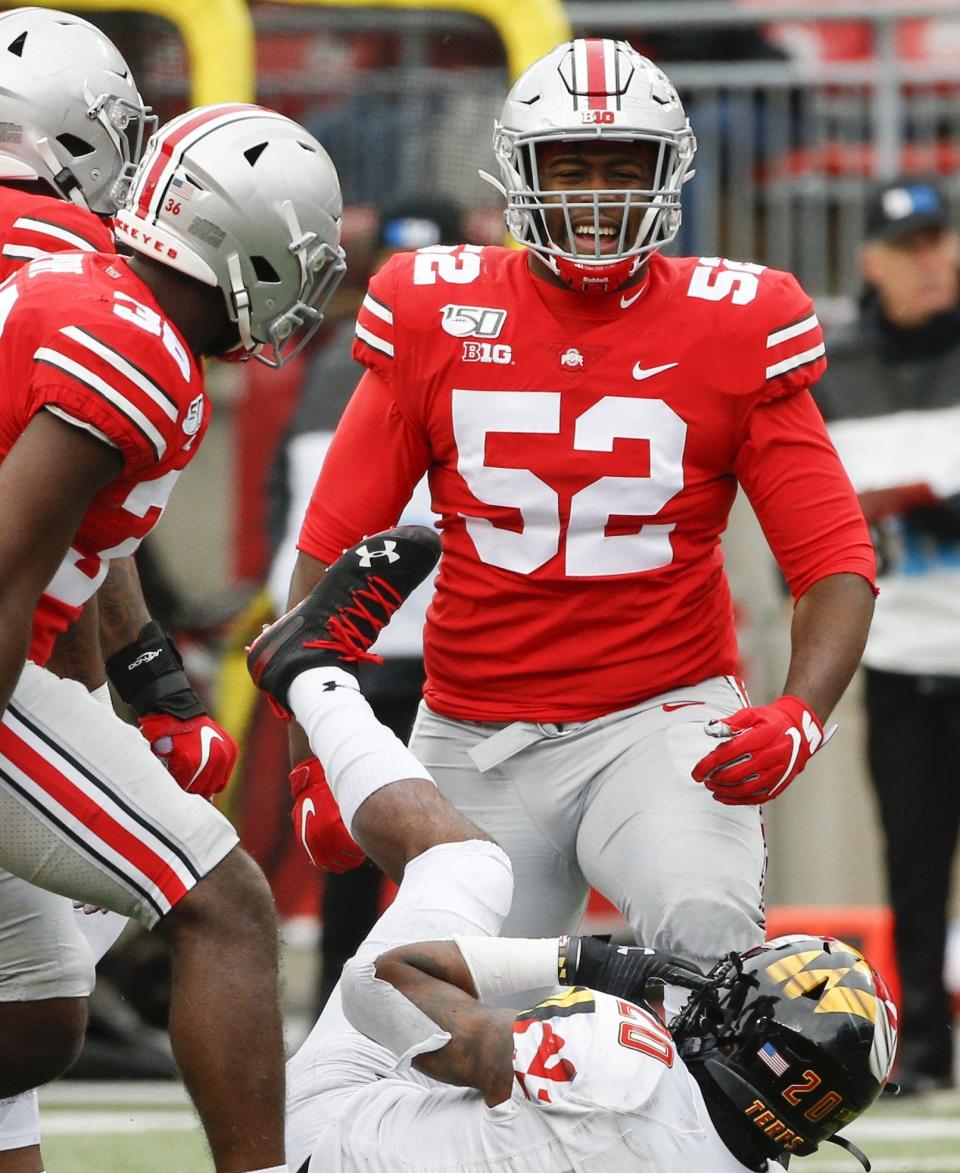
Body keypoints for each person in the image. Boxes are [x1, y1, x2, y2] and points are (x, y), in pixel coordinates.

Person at [285, 38, 877, 975]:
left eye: (621, 167)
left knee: (710, 950)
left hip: (661, 719)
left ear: (667, 174)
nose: (597, 196)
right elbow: (331, 547)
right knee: (437, 1014)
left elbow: (835, 560)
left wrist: (800, 709)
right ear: (521, 176)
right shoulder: (435, 306)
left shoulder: (737, 321)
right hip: (473, 727)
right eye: (571, 168)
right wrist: (315, 749)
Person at [210, 526, 899, 1173]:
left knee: (472, 865)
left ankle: (310, 673)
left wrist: (583, 963)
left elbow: (381, 985)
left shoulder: (622, 1060)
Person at [0, 101, 436, 1173]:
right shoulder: (128, 342)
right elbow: (8, 564)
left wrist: (130, 705)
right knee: (225, 900)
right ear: (243, 245)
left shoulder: (93, 294)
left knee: (30, 1007)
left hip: (25, 652)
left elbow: (65, 568)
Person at [0, 4, 210, 1173]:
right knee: (216, 897)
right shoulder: (96, 298)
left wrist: (144, 682)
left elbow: (58, 522)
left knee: (33, 981)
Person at [268, 195, 462, 1009]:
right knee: (354, 841)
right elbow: (300, 512)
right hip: (358, 638)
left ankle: (431, 1003)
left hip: (453, 646)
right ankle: (343, 1006)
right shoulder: (335, 365)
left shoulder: (474, 357)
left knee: (450, 849)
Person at [813, 179, 960, 1096]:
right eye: (909, 245)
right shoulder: (838, 373)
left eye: (940, 241)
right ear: (870, 260)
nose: (931, 261)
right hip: (902, 658)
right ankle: (931, 1048)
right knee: (912, 859)